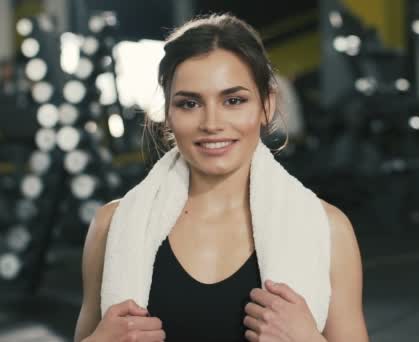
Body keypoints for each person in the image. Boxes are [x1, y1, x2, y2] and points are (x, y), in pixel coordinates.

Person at [74, 13, 368, 342]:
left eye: (233, 100)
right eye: (189, 103)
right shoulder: (111, 226)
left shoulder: (327, 230)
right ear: (169, 114)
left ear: (266, 105)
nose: (212, 123)